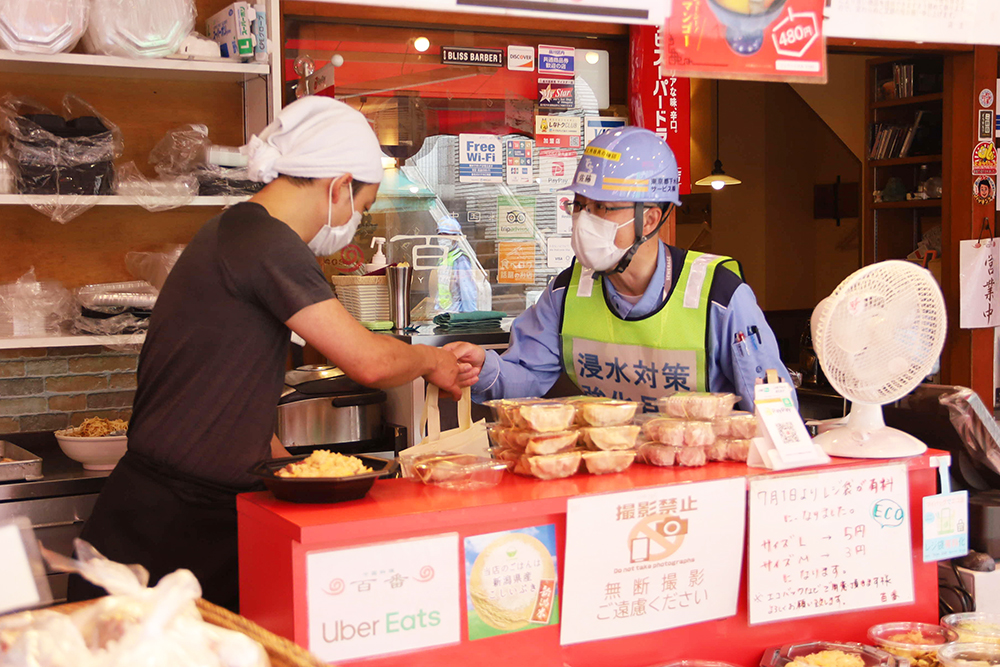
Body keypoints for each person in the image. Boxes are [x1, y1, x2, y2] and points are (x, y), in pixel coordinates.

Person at [68, 97, 463, 611]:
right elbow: (371, 361)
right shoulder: (267, 243)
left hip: (176, 510)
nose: (351, 221)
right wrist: (434, 361)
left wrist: (294, 471)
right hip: (171, 526)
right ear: (340, 185)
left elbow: (228, 382)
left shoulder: (235, 230)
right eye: (359, 210)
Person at [446, 127, 793, 413]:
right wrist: (484, 368)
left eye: (602, 207)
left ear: (650, 219)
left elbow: (773, 412)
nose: (584, 219)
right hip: (605, 475)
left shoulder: (719, 296)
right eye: (580, 206)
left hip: (696, 485)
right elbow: (525, 376)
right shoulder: (567, 292)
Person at [434, 216, 479, 313]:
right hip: (443, 312)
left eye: (446, 235)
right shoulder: (444, 258)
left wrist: (470, 317)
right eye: (440, 235)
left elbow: (467, 290)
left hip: (456, 314)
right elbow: (442, 288)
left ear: (455, 238)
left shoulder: (460, 259)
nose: (443, 239)